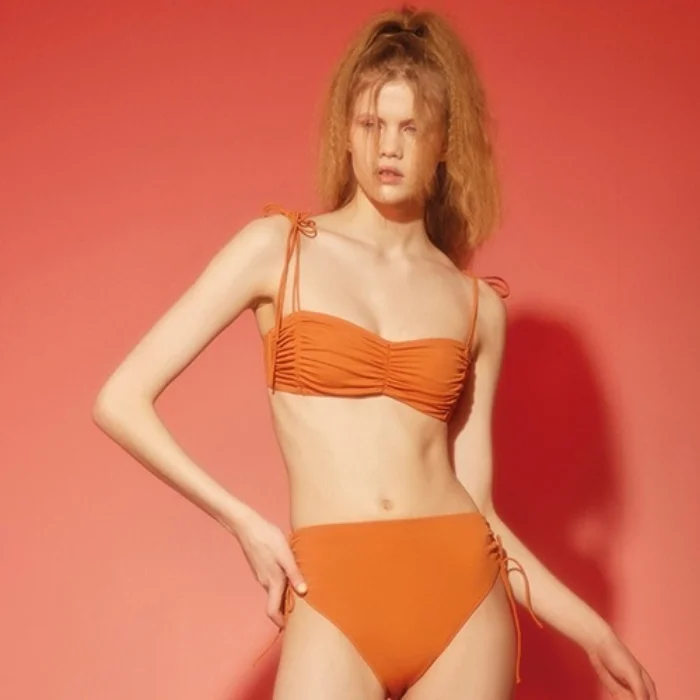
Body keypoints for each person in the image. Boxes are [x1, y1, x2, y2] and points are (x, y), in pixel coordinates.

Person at [92, 7, 657, 700]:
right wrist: (242, 522)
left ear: (443, 142)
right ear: (347, 134)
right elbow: (120, 401)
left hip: (463, 600)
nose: (388, 147)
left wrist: (596, 634)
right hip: (333, 594)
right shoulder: (277, 250)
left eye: (410, 128)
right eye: (370, 124)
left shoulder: (476, 305)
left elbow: (483, 509)